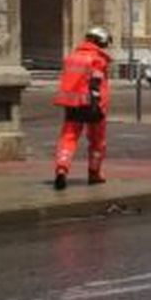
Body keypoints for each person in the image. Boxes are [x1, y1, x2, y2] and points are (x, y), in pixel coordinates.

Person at [52, 26, 113, 190]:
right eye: (105, 43)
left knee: (68, 138)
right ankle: (94, 173)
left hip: (72, 104)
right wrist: (102, 106)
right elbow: (98, 84)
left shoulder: (72, 57)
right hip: (93, 105)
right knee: (97, 141)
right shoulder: (98, 59)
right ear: (100, 42)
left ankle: (62, 169)